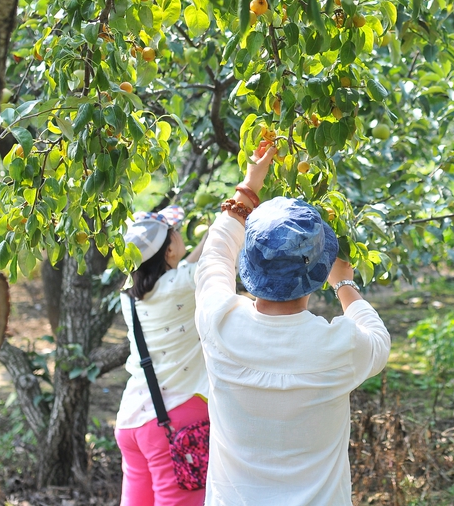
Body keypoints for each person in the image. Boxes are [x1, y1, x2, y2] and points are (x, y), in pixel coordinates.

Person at [193, 141, 391, 505]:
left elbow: (214, 256)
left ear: (249, 268)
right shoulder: (340, 346)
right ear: (317, 274)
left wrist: (248, 188)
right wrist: (344, 283)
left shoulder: (219, 324)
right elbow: (378, 340)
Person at [115, 205, 211, 506]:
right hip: (173, 420)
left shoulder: (129, 293)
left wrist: (207, 236)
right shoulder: (182, 286)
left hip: (131, 419)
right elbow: (208, 264)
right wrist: (232, 215)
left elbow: (181, 275)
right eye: (175, 232)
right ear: (169, 249)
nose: (181, 236)